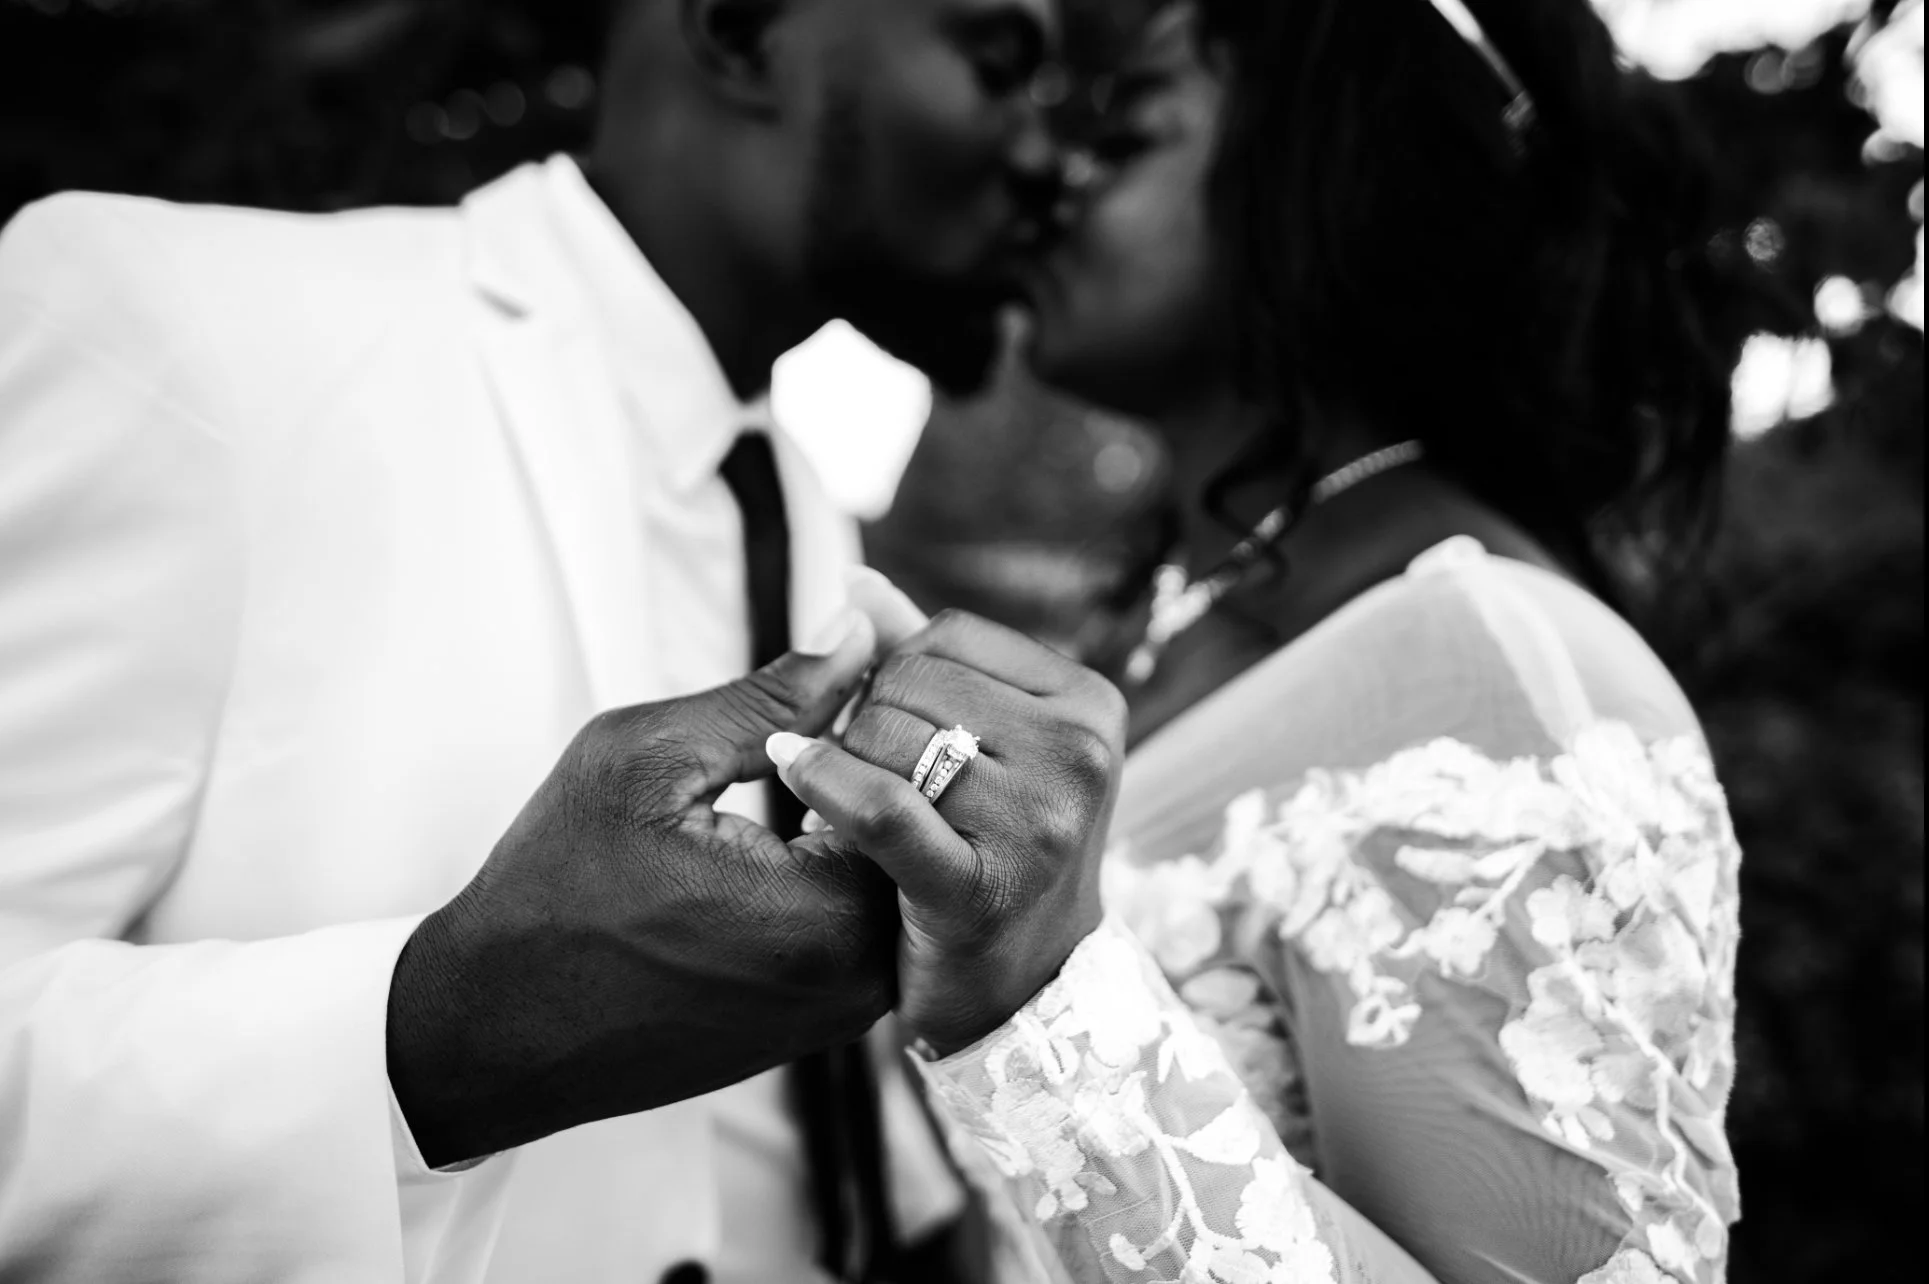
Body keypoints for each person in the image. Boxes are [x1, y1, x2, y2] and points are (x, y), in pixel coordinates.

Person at [0, 2, 1133, 1281]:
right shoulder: (178, 323)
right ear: (744, 30)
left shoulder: (797, 497)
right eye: (999, 64)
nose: (1051, 157)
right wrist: (448, 1031)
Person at [772, 1, 1746, 1280]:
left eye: (1124, 132)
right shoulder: (1166, 627)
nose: (1052, 178)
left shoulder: (1492, 665)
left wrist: (1039, 1008)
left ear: (1336, 172)